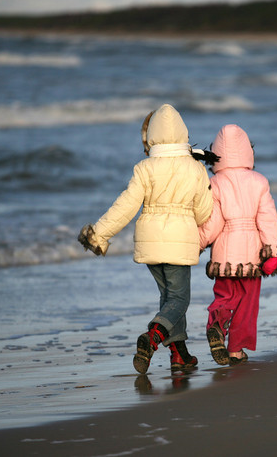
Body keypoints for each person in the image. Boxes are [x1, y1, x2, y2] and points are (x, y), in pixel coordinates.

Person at [78, 104, 215, 374]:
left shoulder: (144, 168)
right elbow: (204, 212)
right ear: (182, 133)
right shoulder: (195, 169)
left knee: (168, 298)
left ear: (151, 135)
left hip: (150, 242)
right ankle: (152, 338)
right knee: (179, 300)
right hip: (179, 243)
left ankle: (180, 355)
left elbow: (125, 206)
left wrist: (100, 233)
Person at [199, 124, 277, 365]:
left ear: (216, 154)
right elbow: (267, 219)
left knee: (225, 295)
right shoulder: (259, 182)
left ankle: (217, 325)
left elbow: (213, 223)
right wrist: (273, 253)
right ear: (248, 151)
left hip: (224, 253)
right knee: (247, 303)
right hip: (252, 254)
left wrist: (197, 243)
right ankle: (236, 350)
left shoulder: (215, 182)